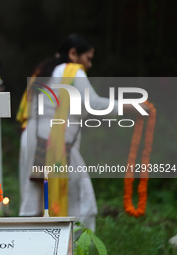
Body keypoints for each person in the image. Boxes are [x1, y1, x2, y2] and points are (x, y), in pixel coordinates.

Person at [17, 34, 146, 231]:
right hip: (56, 144)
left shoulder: (43, 70)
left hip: (32, 140)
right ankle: (75, 247)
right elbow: (93, 104)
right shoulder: (71, 71)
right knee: (81, 199)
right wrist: (132, 106)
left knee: (33, 201)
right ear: (73, 53)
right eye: (88, 58)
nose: (90, 65)